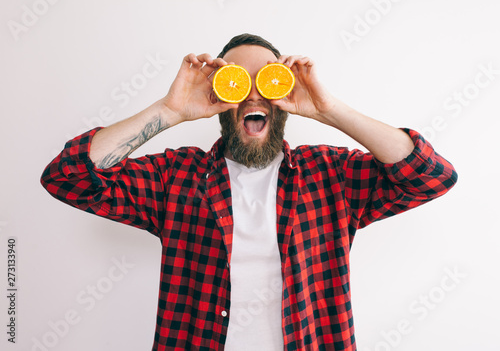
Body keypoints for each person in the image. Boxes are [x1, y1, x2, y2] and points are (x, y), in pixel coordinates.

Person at [40, 33, 458, 351]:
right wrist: (168, 112)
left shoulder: (332, 176)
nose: (255, 94)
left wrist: (329, 109)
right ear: (221, 93)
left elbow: (431, 175)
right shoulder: (176, 177)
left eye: (268, 82)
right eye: (239, 82)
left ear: (284, 93)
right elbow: (67, 177)